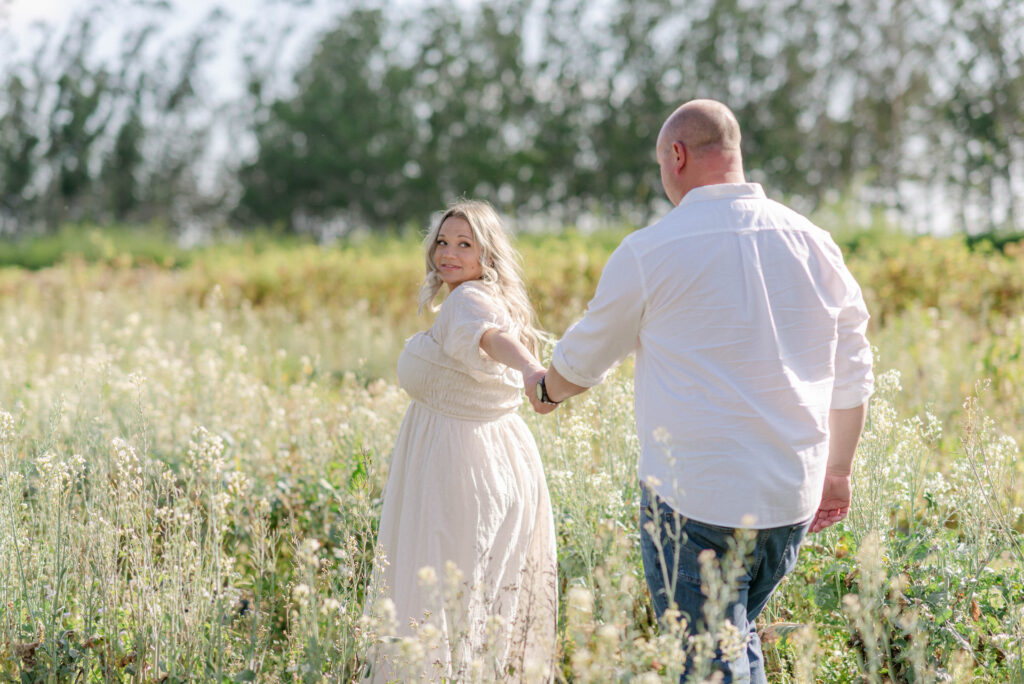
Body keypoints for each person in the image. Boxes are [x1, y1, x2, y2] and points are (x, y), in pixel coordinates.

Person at [527, 99, 874, 683]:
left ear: (677, 156)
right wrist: (837, 471)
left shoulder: (651, 249)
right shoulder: (815, 242)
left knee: (709, 667)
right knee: (735, 645)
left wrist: (547, 389)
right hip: (791, 496)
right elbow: (854, 366)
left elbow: (581, 361)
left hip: (697, 504)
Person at [363, 200, 556, 683]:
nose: (448, 253)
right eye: (443, 242)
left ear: (486, 256)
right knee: (475, 590)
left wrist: (533, 369)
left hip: (460, 466)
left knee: (445, 589)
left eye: (464, 244)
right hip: (489, 456)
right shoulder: (484, 297)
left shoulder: (468, 301)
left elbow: (488, 339)